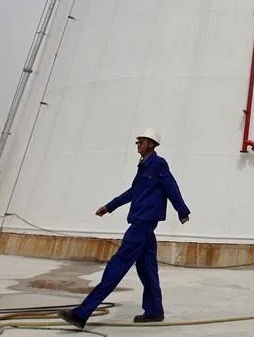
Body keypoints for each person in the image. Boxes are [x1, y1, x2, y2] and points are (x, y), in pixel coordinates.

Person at [58, 128, 191, 330]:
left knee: (116, 267)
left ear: (151, 144)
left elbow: (171, 186)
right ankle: (154, 311)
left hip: (143, 224)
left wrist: (182, 211)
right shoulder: (143, 166)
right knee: (147, 270)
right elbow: (133, 192)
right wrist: (109, 207)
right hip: (142, 225)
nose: (137, 144)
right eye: (137, 142)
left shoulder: (158, 164)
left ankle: (81, 313)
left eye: (141, 141)